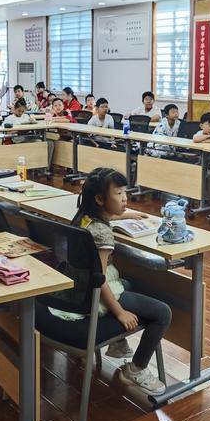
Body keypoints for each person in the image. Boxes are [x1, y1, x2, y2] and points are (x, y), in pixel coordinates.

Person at [61, 168, 170, 396]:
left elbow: (106, 217)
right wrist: (120, 312)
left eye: (125, 193)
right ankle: (137, 368)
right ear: (100, 199)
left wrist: (127, 215)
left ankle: (118, 343)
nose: (125, 198)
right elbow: (99, 279)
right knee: (163, 313)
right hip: (93, 294)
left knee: (127, 284)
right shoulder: (103, 234)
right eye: (119, 194)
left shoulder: (83, 217)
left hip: (75, 288)